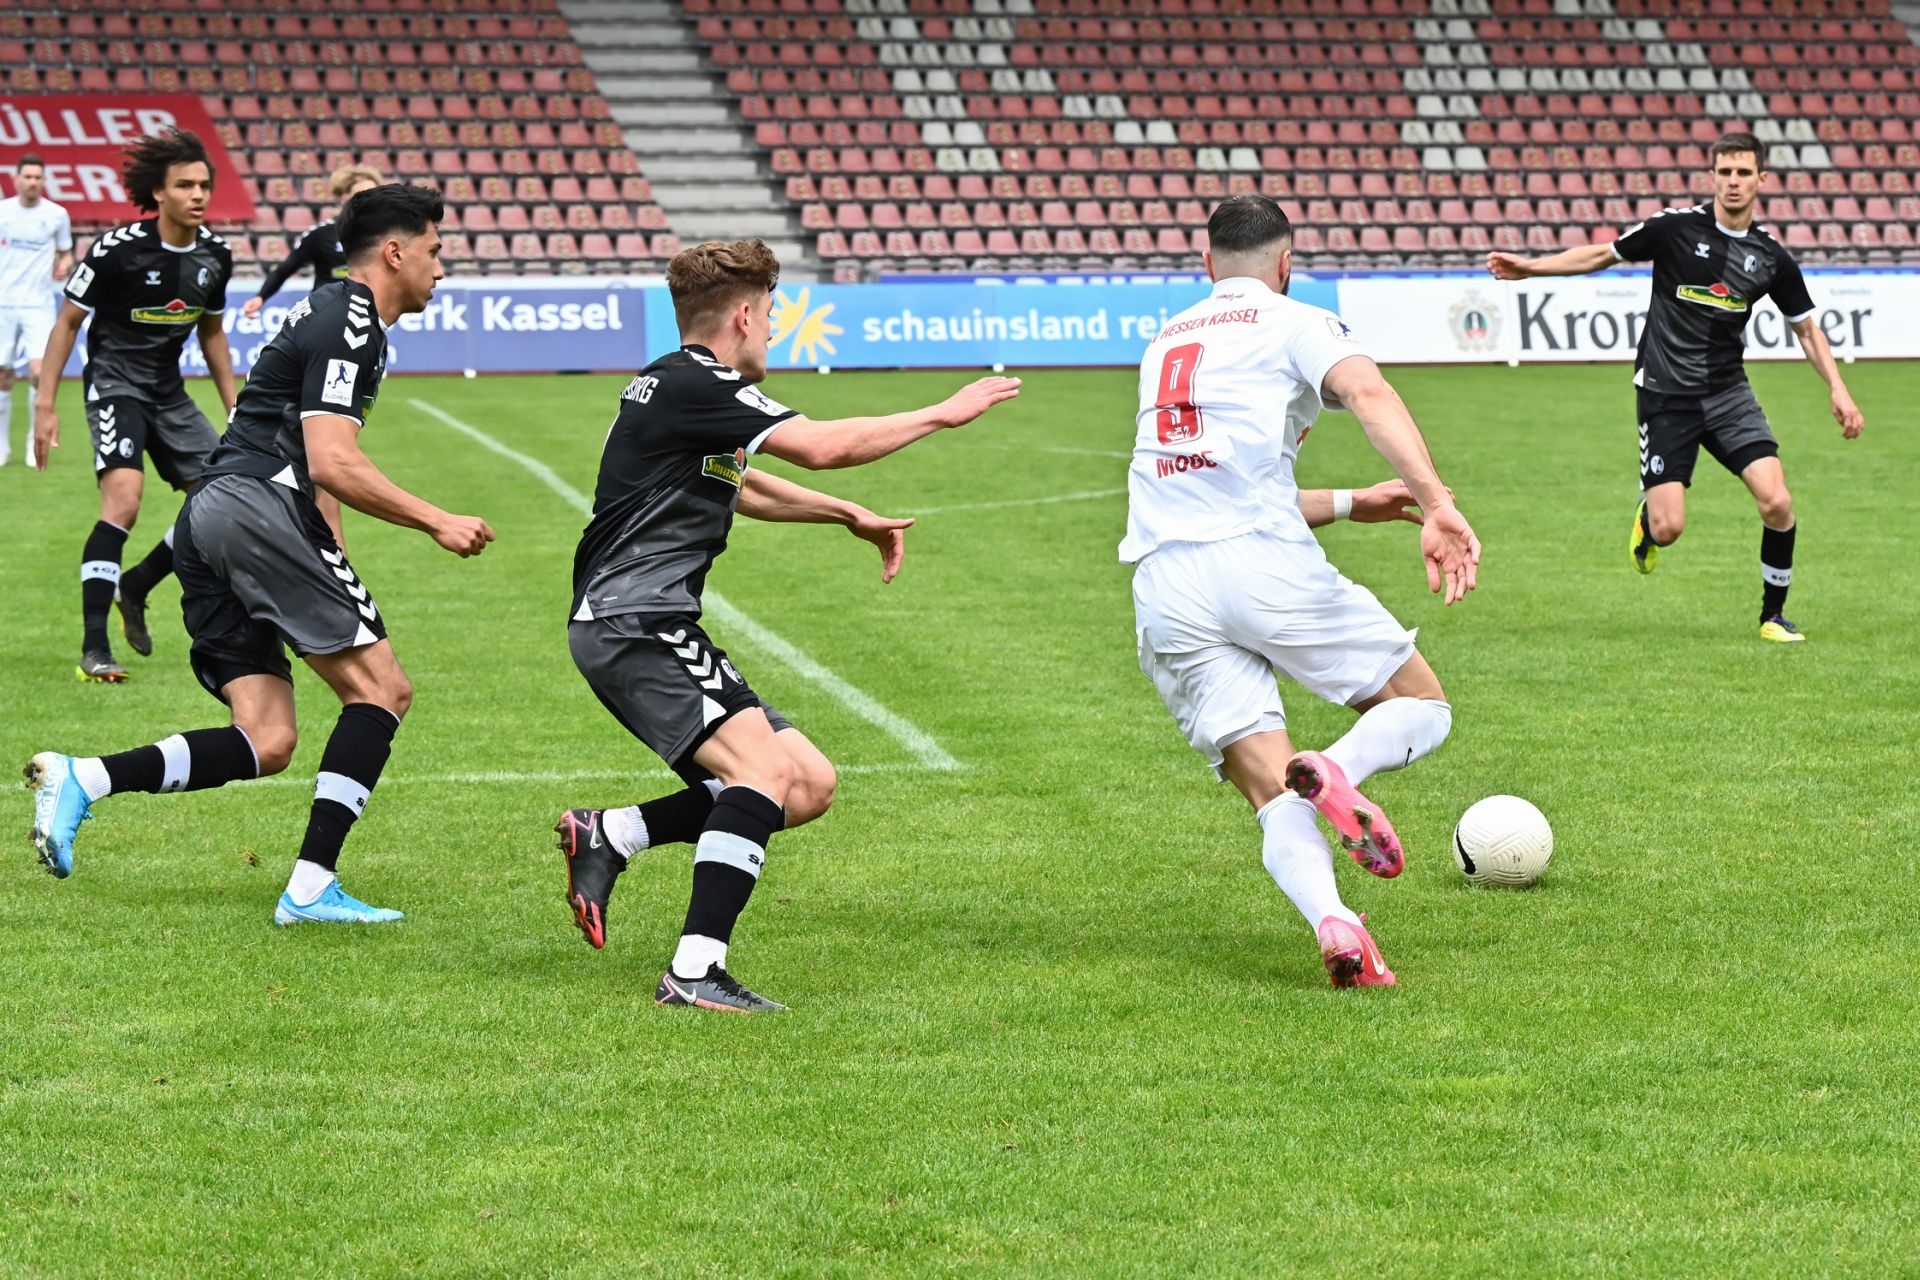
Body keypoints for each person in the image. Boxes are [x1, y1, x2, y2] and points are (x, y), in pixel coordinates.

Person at [554, 238, 1020, 1013]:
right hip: (636, 621)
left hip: (642, 621)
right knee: (761, 774)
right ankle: (695, 971)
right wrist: (943, 411)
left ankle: (615, 834)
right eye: (770, 316)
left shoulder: (675, 387)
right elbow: (824, 446)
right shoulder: (698, 382)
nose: (771, 331)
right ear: (743, 316)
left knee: (804, 784)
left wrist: (845, 515)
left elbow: (741, 485)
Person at [25, 183, 495, 927]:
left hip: (215, 514)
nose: (441, 269)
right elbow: (332, 460)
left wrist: (333, 555)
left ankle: (85, 779)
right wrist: (437, 519)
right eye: (435, 252)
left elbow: (317, 461)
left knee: (268, 738)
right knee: (383, 691)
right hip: (258, 510)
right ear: (394, 252)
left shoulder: (332, 311)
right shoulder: (351, 321)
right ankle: (309, 889)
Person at [1123, 195, 1481, 989]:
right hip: (1261, 563)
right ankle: (1339, 769)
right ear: (1286, 264)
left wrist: (1352, 501)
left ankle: (1336, 925)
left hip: (1166, 585)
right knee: (1422, 706)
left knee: (1270, 789)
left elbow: (1224, 479)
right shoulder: (1295, 320)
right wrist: (1435, 503)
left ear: (1207, 263)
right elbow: (1370, 395)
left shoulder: (1165, 340)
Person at [1487, 131, 1864, 642]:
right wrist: (1531, 268)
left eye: (1743, 172)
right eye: (1725, 172)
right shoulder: (1674, 228)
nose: (1733, 182)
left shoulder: (1770, 257)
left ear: (1761, 179)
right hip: (1665, 395)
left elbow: (1806, 329)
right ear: (1712, 176)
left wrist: (1838, 388)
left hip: (1728, 395)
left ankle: (1772, 617)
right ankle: (1649, 519)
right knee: (1669, 529)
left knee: (1777, 501)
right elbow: (1602, 255)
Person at [33, 128, 238, 680]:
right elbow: (67, 323)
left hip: (169, 392)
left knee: (220, 498)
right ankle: (95, 648)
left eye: (204, 185)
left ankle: (139, 582)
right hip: (114, 384)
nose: (198, 194)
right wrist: (45, 404)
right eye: (185, 185)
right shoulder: (116, 250)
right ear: (159, 192)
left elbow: (212, 334)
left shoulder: (216, 255)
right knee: (124, 501)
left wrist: (235, 408)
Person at [0, 153, 73, 467]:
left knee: (38, 372)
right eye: (27, 177)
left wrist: (64, 265)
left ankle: (33, 441)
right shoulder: (3, 212)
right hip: (3, 302)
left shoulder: (56, 215)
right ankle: (2, 445)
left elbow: (67, 253)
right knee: (2, 374)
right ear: (17, 179)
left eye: (37, 177)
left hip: (38, 304)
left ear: (44, 181)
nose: (32, 182)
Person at [242, 164, 382, 319]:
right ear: (344, 198)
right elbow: (284, 270)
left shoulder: (387, 235)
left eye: (374, 194)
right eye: (362, 194)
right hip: (326, 314)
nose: (370, 200)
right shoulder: (321, 235)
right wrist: (261, 297)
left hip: (367, 316)